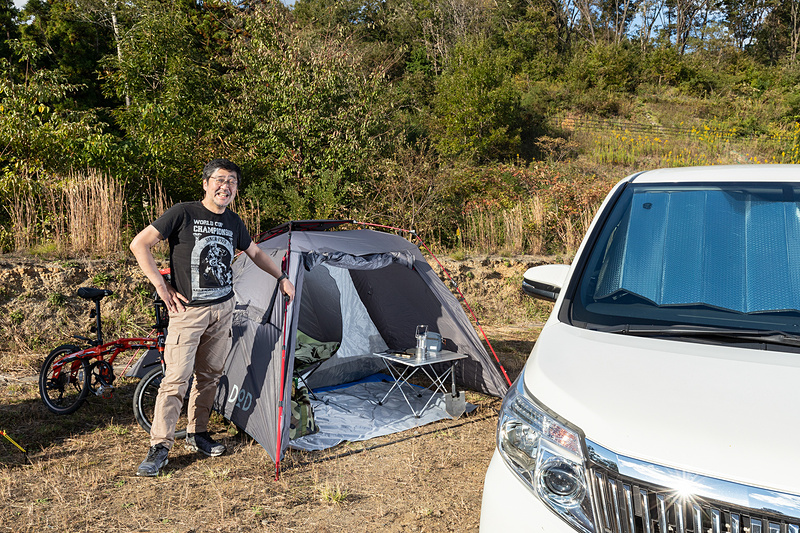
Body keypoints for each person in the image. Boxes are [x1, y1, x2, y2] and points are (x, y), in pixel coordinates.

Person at [130, 158, 295, 477]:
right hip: (187, 312)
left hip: (223, 309)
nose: (226, 186)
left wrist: (281, 277)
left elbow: (257, 254)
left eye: (232, 181)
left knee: (209, 376)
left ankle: (198, 433)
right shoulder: (182, 212)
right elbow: (140, 244)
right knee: (176, 379)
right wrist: (160, 285)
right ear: (206, 183)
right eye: (220, 179)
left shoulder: (233, 221)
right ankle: (160, 445)